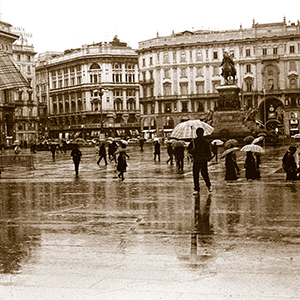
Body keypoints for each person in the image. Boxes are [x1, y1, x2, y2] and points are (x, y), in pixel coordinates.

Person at [187, 127, 212, 195]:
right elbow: (189, 150)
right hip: (196, 160)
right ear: (197, 134)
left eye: (201, 133)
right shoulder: (193, 142)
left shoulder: (205, 142)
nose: (200, 134)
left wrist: (208, 157)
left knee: (204, 174)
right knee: (195, 175)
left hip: (203, 160)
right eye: (199, 133)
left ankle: (209, 186)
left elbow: (208, 151)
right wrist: (192, 151)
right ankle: (196, 188)